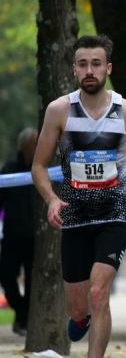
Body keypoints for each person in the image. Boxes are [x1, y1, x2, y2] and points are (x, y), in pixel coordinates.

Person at [31, 35, 126, 358]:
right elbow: (38, 166)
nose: (89, 70)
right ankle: (82, 318)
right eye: (82, 64)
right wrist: (51, 198)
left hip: (116, 210)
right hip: (75, 212)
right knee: (78, 309)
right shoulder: (59, 111)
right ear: (74, 70)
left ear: (108, 68)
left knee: (97, 292)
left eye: (96, 64)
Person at [0, 127, 39, 336]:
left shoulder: (43, 169)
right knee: (6, 276)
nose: (36, 147)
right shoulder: (9, 169)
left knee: (34, 281)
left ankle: (23, 320)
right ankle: (22, 312)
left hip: (36, 239)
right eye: (34, 144)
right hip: (13, 236)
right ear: (24, 147)